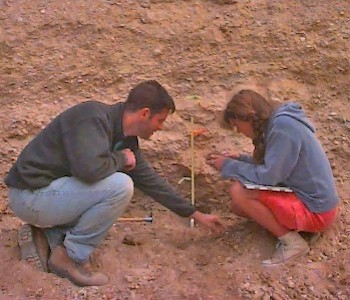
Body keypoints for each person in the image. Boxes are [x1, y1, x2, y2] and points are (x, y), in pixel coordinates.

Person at [5, 80, 226, 286]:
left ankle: (46, 238)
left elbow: (152, 183)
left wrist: (196, 215)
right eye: (160, 121)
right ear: (145, 114)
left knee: (118, 184)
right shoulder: (92, 117)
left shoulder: (125, 139)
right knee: (120, 186)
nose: (160, 128)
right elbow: (89, 171)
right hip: (30, 196)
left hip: (46, 196)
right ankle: (69, 257)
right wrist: (121, 159)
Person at [207, 89, 339, 266]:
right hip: (313, 204)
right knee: (239, 206)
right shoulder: (279, 124)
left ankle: (293, 243)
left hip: (318, 212)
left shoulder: (283, 128)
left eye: (237, 125)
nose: (239, 131)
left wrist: (228, 166)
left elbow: (269, 177)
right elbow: (274, 167)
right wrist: (240, 159)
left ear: (249, 117)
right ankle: (300, 230)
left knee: (239, 192)